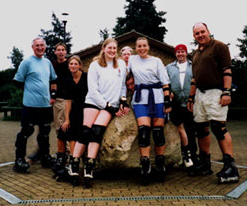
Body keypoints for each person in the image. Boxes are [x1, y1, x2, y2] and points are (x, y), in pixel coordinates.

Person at [67, 38, 130, 187]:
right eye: (109, 48)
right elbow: (93, 90)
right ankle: (74, 163)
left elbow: (122, 86)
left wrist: (122, 100)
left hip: (111, 104)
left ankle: (89, 165)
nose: (112, 51)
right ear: (103, 48)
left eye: (114, 48)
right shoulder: (95, 65)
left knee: (96, 132)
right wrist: (105, 105)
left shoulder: (121, 64)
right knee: (85, 131)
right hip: (94, 102)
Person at [187, 22, 239, 183]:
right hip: (200, 95)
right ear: (194, 36)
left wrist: (226, 91)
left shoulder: (219, 47)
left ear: (208, 31)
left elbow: (227, 70)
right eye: (197, 33)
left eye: (203, 31)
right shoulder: (195, 53)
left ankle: (230, 167)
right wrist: (191, 97)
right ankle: (204, 163)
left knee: (218, 127)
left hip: (216, 92)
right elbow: (194, 78)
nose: (200, 35)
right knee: (201, 129)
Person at [128, 37, 171, 185]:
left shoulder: (157, 61)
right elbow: (121, 70)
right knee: (144, 131)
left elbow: (165, 82)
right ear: (136, 47)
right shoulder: (132, 60)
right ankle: (145, 166)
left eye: (144, 46)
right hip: (141, 99)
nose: (141, 48)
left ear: (148, 47)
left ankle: (160, 164)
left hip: (157, 97)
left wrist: (167, 101)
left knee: (158, 132)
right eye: (139, 46)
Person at [13, 37, 57, 173]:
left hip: (45, 106)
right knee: (26, 132)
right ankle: (19, 160)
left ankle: (45, 157)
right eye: (37, 45)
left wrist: (53, 95)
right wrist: (30, 91)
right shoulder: (26, 62)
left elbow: (53, 80)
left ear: (45, 47)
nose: (39, 47)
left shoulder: (47, 62)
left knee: (44, 132)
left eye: (42, 45)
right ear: (33, 47)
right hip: (30, 105)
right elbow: (17, 81)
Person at [166, 44, 198, 170]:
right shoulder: (169, 67)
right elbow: (165, 82)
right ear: (175, 54)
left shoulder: (193, 66)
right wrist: (169, 93)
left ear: (186, 53)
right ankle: (183, 156)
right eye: (178, 52)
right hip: (176, 103)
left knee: (191, 130)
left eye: (182, 52)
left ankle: (193, 157)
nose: (180, 54)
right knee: (180, 129)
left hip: (191, 102)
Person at [50, 42, 72, 179]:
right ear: (55, 52)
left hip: (69, 99)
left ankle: (70, 155)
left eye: (63, 50)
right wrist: (52, 95)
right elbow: (52, 81)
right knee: (59, 127)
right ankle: (61, 156)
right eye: (58, 50)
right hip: (58, 99)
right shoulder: (52, 64)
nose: (61, 52)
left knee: (68, 126)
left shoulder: (70, 63)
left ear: (66, 51)